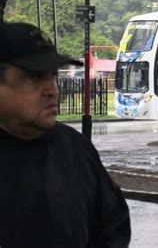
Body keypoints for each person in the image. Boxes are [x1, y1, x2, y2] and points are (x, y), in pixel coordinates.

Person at [0, 22, 131, 248]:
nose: (52, 90)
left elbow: (113, 225)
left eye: (52, 76)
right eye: (35, 77)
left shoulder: (74, 148)